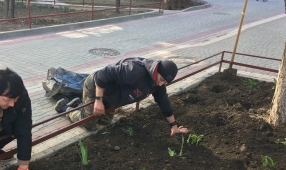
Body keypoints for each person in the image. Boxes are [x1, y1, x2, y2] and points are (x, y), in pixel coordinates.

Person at [55, 57, 188, 136]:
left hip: (113, 97)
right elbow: (102, 75)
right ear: (156, 71)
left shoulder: (157, 84)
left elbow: (163, 102)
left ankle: (80, 104)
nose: (161, 83)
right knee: (90, 125)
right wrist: (98, 100)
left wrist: (174, 126)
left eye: (165, 82)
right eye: (162, 79)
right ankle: (65, 108)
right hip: (98, 87)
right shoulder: (134, 70)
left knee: (105, 122)